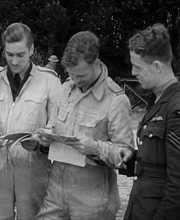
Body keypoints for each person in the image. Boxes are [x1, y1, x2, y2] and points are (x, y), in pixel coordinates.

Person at [35, 31, 135, 220]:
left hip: (92, 203)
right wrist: (46, 137)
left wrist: (95, 147)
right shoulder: (65, 89)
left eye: (81, 75)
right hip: (55, 195)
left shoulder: (116, 100)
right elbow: (53, 126)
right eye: (71, 74)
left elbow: (126, 156)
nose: (75, 80)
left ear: (96, 63)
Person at [0, 22, 61, 220]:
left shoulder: (50, 81)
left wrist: (42, 142)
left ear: (32, 49)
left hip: (34, 167)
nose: (15, 61)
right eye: (9, 54)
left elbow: (58, 129)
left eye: (20, 54)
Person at [124, 24, 180, 220]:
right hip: (141, 207)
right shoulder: (157, 100)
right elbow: (159, 161)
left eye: (138, 66)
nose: (133, 72)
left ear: (157, 66)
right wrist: (132, 157)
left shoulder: (177, 109)